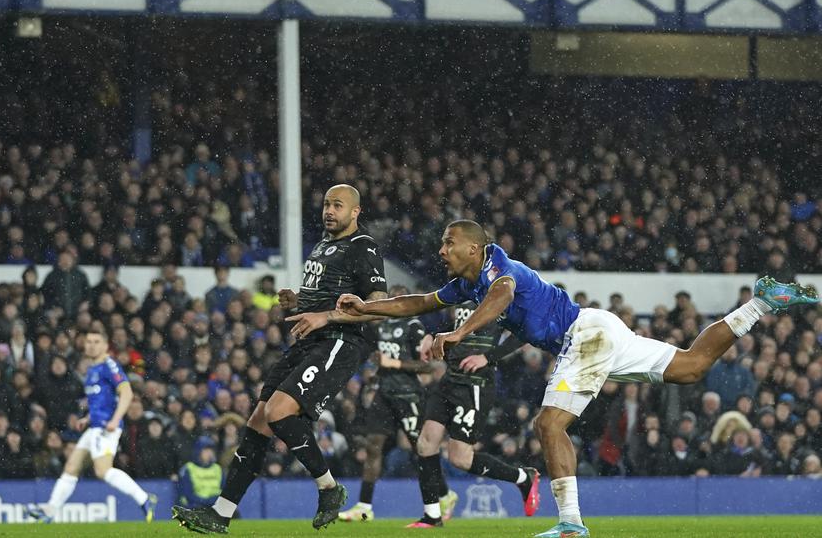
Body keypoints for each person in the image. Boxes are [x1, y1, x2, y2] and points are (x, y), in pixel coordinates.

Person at [337, 219, 820, 538]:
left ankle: (570, 523)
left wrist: (459, 332)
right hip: (596, 329)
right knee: (692, 367)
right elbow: (418, 302)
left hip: (584, 335)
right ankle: (762, 303)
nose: (441, 249)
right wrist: (365, 308)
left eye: (448, 242)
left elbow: (502, 297)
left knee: (549, 425)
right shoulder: (466, 283)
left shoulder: (497, 267)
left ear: (473, 247)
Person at [174, 184, 388, 533]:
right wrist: (300, 300)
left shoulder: (363, 246)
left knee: (277, 413)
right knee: (258, 421)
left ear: (355, 212)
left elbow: (378, 305)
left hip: (340, 342)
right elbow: (327, 295)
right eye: (326, 204)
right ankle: (221, 514)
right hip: (308, 340)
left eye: (338, 205)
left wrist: (328, 316)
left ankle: (329, 488)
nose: (329, 210)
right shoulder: (321, 246)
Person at [407, 300, 539, 528]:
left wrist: (488, 357)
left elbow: (525, 333)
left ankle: (522, 477)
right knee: (425, 443)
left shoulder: (500, 295)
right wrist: (431, 335)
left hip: (475, 384)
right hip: (450, 379)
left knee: (460, 458)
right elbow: (452, 323)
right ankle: (431, 516)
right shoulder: (463, 291)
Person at [25, 329, 156, 523]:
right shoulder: (92, 369)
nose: (92, 345)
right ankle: (50, 511)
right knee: (71, 467)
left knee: (102, 471)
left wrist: (115, 420)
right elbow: (102, 401)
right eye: (88, 342)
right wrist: (87, 418)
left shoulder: (109, 365)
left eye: (96, 342)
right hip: (95, 425)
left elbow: (127, 393)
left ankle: (144, 498)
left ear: (105, 345)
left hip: (105, 428)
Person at [339, 310, 433, 522]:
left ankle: (441, 497)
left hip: (408, 394)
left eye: (399, 297)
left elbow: (426, 366)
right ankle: (364, 508)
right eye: (393, 297)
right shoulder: (382, 327)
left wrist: (394, 363)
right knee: (373, 446)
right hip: (384, 393)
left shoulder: (413, 326)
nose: (396, 299)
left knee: (421, 449)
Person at [176, 437, 223, 509]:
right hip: (196, 506)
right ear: (198, 451)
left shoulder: (218, 468)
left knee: (234, 513)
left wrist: (214, 501)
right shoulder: (188, 468)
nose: (209, 453)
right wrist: (206, 502)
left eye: (211, 450)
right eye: (206, 450)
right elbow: (187, 494)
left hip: (216, 505)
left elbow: (225, 491)